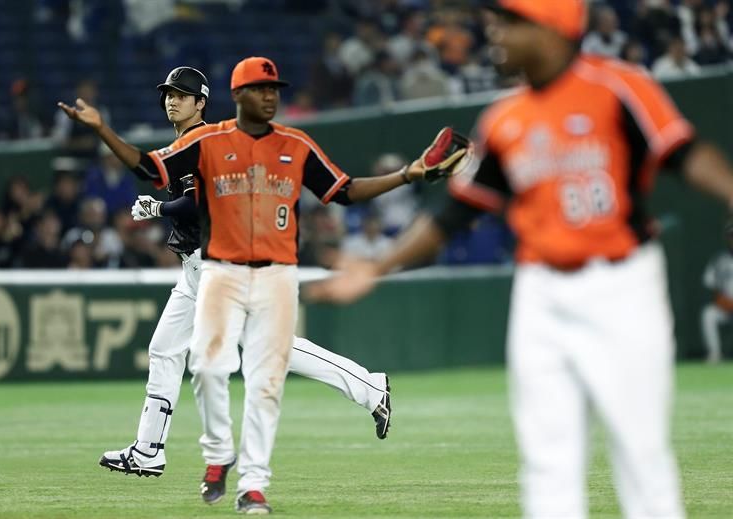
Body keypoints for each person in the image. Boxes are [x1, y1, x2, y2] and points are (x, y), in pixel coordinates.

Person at [307, 1, 733, 517]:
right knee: (548, 462)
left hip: (622, 286)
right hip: (541, 296)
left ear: (549, 28)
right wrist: (376, 267)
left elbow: (685, 153)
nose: (494, 34)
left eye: (506, 22)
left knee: (639, 451)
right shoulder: (504, 118)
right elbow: (452, 217)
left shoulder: (618, 86)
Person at [57, 60, 429, 514]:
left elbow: (197, 202)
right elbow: (153, 170)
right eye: (167, 93)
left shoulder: (215, 143)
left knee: (274, 350)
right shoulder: (187, 143)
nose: (171, 99)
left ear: (201, 102)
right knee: (165, 350)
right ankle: (149, 449)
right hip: (194, 272)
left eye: (181, 94)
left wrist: (158, 208)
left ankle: (369, 388)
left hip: (220, 267)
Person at [700, 223, 733, 363]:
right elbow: (713, 287)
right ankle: (715, 354)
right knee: (708, 314)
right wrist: (724, 303)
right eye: (731, 236)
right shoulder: (719, 259)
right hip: (725, 306)